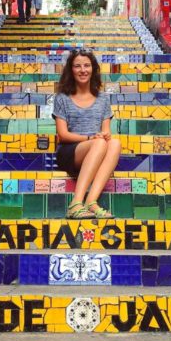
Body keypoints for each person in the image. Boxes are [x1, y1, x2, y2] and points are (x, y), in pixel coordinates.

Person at [53, 49, 121, 219]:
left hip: (95, 149)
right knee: (100, 143)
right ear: (71, 70)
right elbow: (62, 135)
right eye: (77, 66)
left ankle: (91, 202)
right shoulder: (62, 97)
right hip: (69, 152)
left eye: (86, 65)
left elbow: (107, 132)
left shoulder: (103, 98)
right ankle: (76, 203)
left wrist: (101, 137)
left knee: (114, 143)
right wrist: (90, 138)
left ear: (93, 69)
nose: (83, 70)